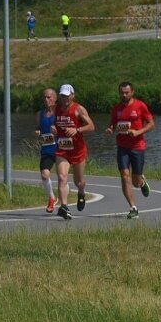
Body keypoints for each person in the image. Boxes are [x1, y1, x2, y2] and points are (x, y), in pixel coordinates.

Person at [104, 81, 155, 219]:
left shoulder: (140, 106)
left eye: (127, 92)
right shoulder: (116, 108)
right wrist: (110, 128)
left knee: (135, 182)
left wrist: (138, 132)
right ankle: (133, 207)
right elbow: (113, 124)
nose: (124, 95)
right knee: (124, 175)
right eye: (122, 92)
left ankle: (142, 182)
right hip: (122, 147)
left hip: (137, 146)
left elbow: (151, 124)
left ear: (132, 92)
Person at [53, 84, 94, 220]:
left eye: (67, 95)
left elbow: (91, 126)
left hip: (78, 150)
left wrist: (77, 130)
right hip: (62, 149)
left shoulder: (78, 109)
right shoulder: (56, 109)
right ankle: (64, 206)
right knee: (62, 177)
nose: (64, 98)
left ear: (72, 95)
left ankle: (81, 192)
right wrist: (53, 127)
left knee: (79, 181)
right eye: (62, 96)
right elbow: (53, 122)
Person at [34, 88, 58, 213]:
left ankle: (65, 202)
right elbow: (39, 128)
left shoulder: (60, 114)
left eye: (49, 97)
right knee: (45, 175)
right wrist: (37, 131)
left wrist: (58, 131)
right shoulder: (39, 114)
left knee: (63, 177)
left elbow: (69, 130)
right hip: (47, 150)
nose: (46, 99)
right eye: (44, 97)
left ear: (55, 98)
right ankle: (52, 198)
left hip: (60, 149)